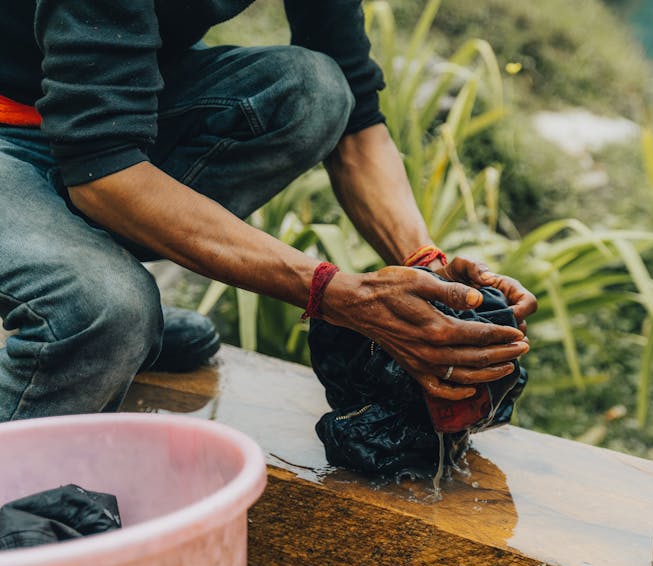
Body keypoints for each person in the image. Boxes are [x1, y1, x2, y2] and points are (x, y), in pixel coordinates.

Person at [0, 1, 537, 421]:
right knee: (110, 311)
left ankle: (92, 317)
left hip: (92, 113)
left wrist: (428, 268)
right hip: (34, 132)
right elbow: (105, 174)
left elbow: (357, 120)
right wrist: (333, 292)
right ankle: (89, 314)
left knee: (314, 91)